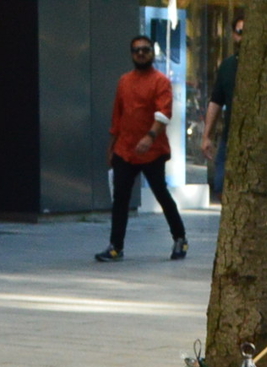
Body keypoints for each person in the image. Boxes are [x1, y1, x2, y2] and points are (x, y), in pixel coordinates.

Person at [98, 35, 187, 262]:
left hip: (152, 151)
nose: (140, 54)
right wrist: (112, 146)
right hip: (125, 149)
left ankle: (180, 238)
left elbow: (164, 112)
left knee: (161, 194)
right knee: (120, 199)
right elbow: (117, 116)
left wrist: (150, 136)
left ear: (152, 53)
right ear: (131, 54)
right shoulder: (124, 81)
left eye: (145, 50)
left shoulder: (161, 81)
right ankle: (116, 246)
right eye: (136, 50)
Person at [204, 15, 242, 205]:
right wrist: (206, 135)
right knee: (220, 184)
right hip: (229, 136)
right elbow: (216, 101)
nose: (243, 37)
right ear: (234, 35)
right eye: (240, 32)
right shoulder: (227, 66)